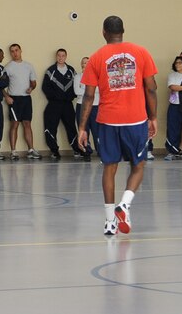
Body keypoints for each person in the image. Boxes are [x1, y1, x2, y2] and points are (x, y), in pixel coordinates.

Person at [78, 16, 158, 236]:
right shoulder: (141, 52)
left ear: (104, 32)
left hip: (107, 120)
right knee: (138, 165)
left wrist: (82, 128)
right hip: (135, 119)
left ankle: (109, 222)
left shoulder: (96, 57)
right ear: (123, 31)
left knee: (109, 168)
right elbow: (151, 88)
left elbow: (88, 96)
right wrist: (153, 117)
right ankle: (125, 203)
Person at [3, 43, 42, 160]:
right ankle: (13, 151)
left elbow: (34, 82)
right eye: (12, 51)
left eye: (16, 50)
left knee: (27, 123)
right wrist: (6, 97)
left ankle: (30, 149)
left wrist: (31, 88)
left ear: (21, 51)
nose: (15, 53)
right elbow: (0, 85)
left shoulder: (28, 66)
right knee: (14, 124)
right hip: (14, 99)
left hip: (26, 99)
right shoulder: (8, 67)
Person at [42, 48, 81, 160]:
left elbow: (76, 86)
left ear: (66, 57)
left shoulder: (71, 71)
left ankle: (76, 150)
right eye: (59, 55)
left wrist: (69, 97)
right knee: (50, 127)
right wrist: (56, 97)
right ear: (56, 56)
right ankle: (54, 151)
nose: (60, 57)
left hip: (68, 105)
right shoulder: (51, 71)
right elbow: (45, 87)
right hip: (54, 105)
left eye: (63, 55)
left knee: (71, 127)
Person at [74, 56, 99, 156]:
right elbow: (77, 91)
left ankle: (101, 152)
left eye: (88, 62)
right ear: (81, 65)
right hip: (81, 105)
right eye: (84, 63)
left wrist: (87, 91)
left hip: (96, 105)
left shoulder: (98, 76)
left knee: (97, 130)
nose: (86, 64)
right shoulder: (78, 77)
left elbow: (100, 90)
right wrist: (91, 91)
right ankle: (86, 152)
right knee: (84, 129)